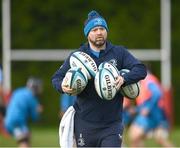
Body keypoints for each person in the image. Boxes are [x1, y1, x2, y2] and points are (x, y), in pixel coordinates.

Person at [52, 10, 147, 147]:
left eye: (102, 28)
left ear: (106, 31)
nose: (99, 32)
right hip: (84, 124)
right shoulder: (78, 56)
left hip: (112, 125)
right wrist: (62, 86)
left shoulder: (119, 53)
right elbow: (56, 78)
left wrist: (124, 78)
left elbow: (140, 69)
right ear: (87, 34)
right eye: (94, 29)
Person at [128, 70, 174, 147]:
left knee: (134, 134)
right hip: (154, 115)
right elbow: (145, 103)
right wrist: (136, 109)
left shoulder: (148, 79)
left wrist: (148, 108)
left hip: (154, 115)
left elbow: (157, 93)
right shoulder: (144, 81)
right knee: (159, 139)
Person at [4, 77, 43, 148]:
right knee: (24, 141)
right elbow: (35, 117)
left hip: (9, 120)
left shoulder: (18, 91)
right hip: (17, 122)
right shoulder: (32, 97)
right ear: (35, 87)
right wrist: (38, 111)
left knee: (26, 139)